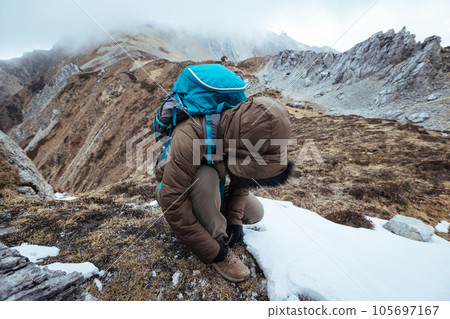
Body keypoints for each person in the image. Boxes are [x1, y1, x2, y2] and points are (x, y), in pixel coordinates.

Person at [155, 96, 293, 282]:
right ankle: (218, 240)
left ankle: (210, 208)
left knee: (254, 213)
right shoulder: (190, 135)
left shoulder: (237, 129)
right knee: (206, 176)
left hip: (214, 182)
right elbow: (173, 201)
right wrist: (216, 252)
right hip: (180, 188)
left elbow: (242, 178)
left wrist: (235, 219)